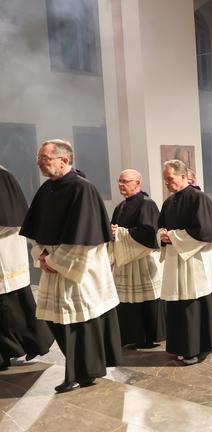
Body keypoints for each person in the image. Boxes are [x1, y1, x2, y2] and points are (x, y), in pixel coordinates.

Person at [20, 139, 121, 392]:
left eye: (45, 158)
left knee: (76, 321)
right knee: (57, 320)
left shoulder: (82, 189)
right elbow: (37, 230)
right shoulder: (47, 190)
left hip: (79, 268)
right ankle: (84, 371)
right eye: (39, 158)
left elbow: (84, 238)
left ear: (64, 160)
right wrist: (41, 255)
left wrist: (54, 260)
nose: (39, 163)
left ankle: (77, 373)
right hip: (55, 265)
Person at [157, 159, 212, 365]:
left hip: (195, 260)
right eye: (165, 180)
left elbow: (205, 231)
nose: (167, 184)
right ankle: (180, 346)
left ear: (184, 176)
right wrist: (161, 234)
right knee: (177, 303)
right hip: (175, 259)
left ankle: (196, 348)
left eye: (170, 179)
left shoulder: (199, 198)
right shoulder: (169, 202)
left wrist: (174, 237)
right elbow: (161, 226)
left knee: (193, 302)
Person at [0, 166, 53, 371]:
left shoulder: (3, 176)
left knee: (11, 308)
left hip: (5, 253)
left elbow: (9, 217)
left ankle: (34, 342)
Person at [110, 169, 165, 348]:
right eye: (120, 181)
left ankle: (148, 337)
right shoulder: (120, 207)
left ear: (137, 183)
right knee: (126, 300)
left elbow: (148, 233)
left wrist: (120, 233)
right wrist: (113, 233)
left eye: (126, 181)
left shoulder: (147, 204)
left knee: (145, 299)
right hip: (125, 262)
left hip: (142, 260)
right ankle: (131, 336)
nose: (121, 185)